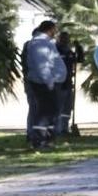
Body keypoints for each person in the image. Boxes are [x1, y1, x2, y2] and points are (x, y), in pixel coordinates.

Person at [21, 21, 67, 150]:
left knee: (52, 111)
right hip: (44, 83)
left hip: (50, 82)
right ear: (50, 29)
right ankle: (39, 140)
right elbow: (42, 65)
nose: (55, 32)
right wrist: (49, 82)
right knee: (44, 112)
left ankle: (48, 139)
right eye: (54, 29)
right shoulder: (39, 43)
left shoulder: (46, 42)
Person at [55, 31, 83, 137]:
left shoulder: (69, 51)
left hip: (68, 82)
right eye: (63, 38)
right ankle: (57, 129)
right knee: (59, 106)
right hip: (58, 82)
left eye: (67, 38)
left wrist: (78, 48)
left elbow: (79, 59)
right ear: (59, 39)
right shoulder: (55, 50)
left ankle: (64, 128)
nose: (65, 41)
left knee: (67, 107)